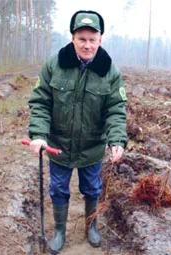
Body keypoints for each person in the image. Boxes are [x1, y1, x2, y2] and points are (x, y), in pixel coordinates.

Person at [28, 10, 127, 254]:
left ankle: (91, 226)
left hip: (91, 147)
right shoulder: (54, 65)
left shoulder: (109, 71)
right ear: (72, 38)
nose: (87, 45)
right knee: (59, 189)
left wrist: (116, 140)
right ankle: (60, 230)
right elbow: (41, 103)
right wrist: (39, 135)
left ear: (100, 40)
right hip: (58, 145)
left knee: (92, 189)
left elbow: (116, 109)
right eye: (82, 39)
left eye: (92, 39)